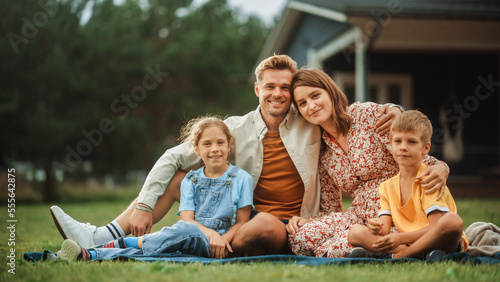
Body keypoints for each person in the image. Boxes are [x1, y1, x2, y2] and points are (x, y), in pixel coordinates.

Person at [50, 55, 401, 256]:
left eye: (285, 88)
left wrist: (395, 109)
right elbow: (173, 157)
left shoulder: (311, 120)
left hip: (287, 226)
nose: (278, 94)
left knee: (260, 224)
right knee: (179, 177)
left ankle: (167, 240)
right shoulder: (234, 129)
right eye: (270, 87)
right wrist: (144, 204)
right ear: (256, 89)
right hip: (241, 219)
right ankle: (103, 235)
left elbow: (351, 116)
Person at [286, 68, 450, 258]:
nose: (311, 106)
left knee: (336, 249)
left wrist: (442, 167)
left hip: (395, 212)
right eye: (302, 103)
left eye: (315, 96)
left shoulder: (367, 115)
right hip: (357, 215)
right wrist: (309, 222)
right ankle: (381, 250)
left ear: (330, 92)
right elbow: (331, 208)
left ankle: (401, 248)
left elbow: (414, 154)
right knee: (299, 238)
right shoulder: (322, 149)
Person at [57, 115, 253, 261]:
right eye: (207, 144)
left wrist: (221, 240)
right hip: (195, 234)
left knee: (174, 236)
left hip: (222, 241)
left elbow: (242, 221)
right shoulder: (190, 180)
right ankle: (89, 254)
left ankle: (109, 245)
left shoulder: (242, 179)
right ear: (197, 149)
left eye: (220, 143)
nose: (215, 149)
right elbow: (187, 219)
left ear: (229, 145)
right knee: (177, 235)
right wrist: (210, 235)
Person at [347, 110, 468, 259]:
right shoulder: (386, 187)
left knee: (453, 221)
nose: (403, 147)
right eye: (398, 141)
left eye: (411, 141)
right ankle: (415, 254)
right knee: (355, 232)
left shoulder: (429, 180)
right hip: (409, 242)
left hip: (441, 241)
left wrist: (400, 239)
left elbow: (436, 227)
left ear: (426, 148)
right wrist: (375, 225)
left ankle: (402, 255)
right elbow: (384, 230)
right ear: (391, 145)